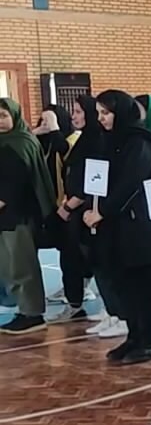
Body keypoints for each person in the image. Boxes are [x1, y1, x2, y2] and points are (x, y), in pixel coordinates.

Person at [84, 91, 151, 362]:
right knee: (126, 285)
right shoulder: (110, 141)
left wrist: (102, 211)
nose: (101, 118)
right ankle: (134, 337)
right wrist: (92, 207)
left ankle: (150, 341)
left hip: (137, 225)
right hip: (116, 226)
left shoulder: (139, 142)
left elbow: (130, 182)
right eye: (99, 113)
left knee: (143, 286)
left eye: (106, 113)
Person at [0, 98, 55, 334]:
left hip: (19, 215)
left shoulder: (21, 143)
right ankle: (23, 310)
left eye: (3, 115)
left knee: (22, 266)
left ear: (14, 116)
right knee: (10, 265)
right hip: (6, 217)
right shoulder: (6, 142)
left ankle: (33, 314)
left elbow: (15, 184)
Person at [48, 96, 99, 324]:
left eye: (79, 111)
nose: (74, 116)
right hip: (73, 209)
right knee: (70, 259)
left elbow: (91, 181)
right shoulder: (84, 140)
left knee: (86, 259)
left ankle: (114, 312)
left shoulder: (97, 142)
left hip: (84, 211)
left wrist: (69, 206)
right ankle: (74, 305)